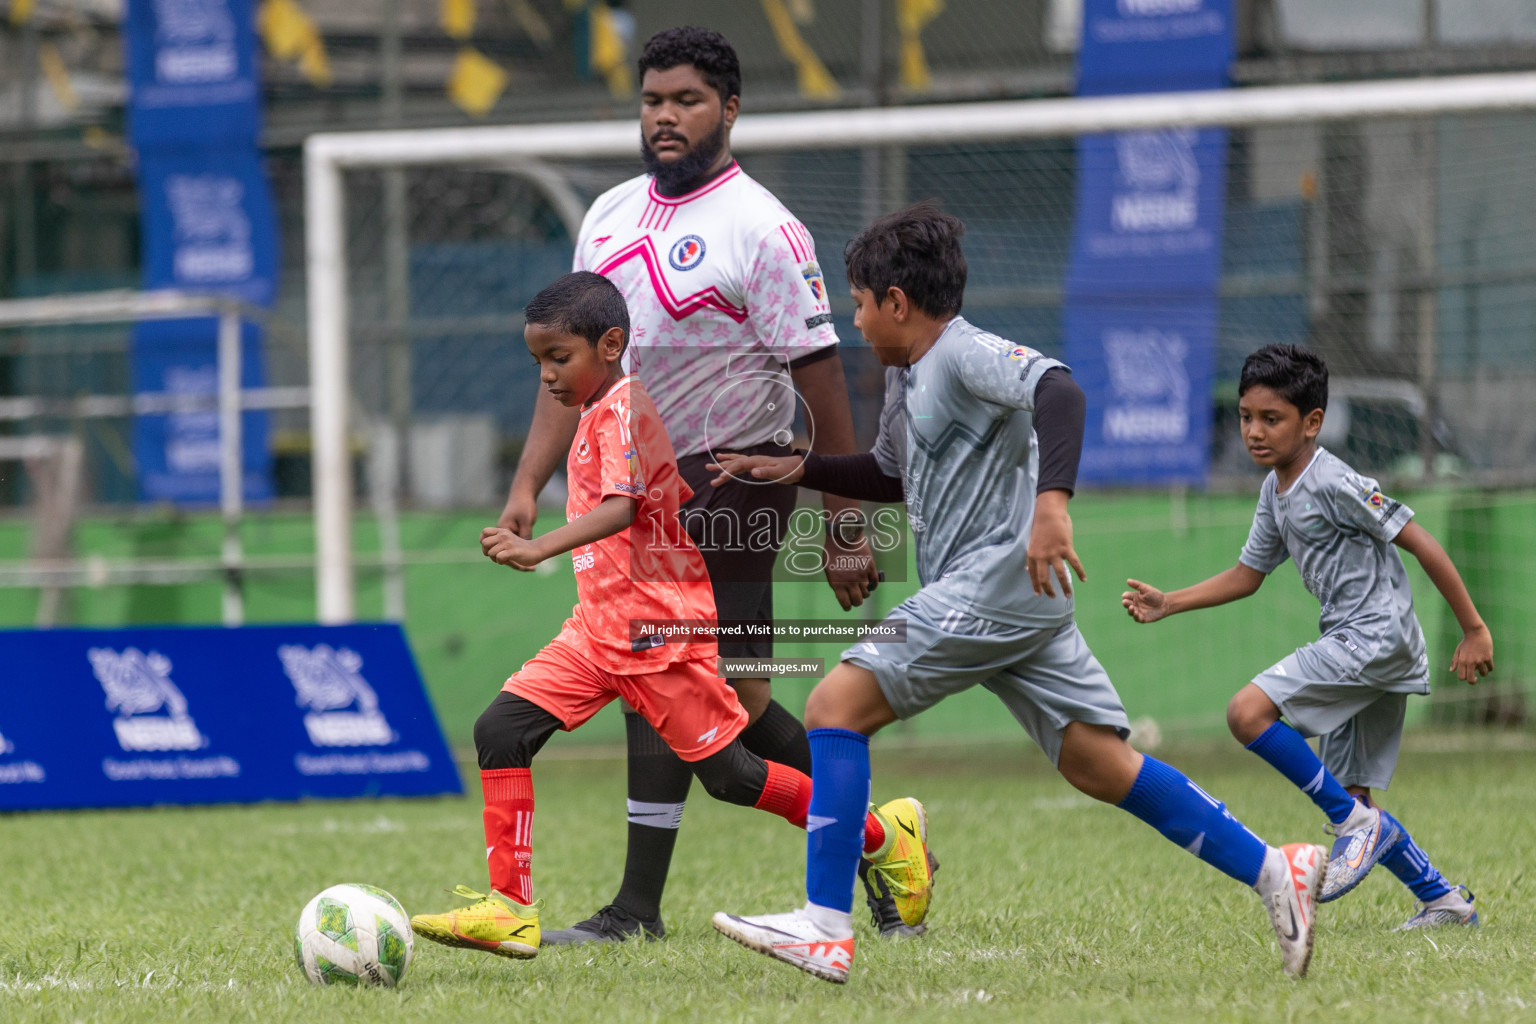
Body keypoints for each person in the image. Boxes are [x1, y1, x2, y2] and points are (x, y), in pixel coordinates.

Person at [706, 203, 1326, 985]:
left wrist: (1051, 504)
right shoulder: (908, 378)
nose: (853, 318)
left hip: (995, 582)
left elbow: (1061, 392)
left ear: (898, 302)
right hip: (1012, 599)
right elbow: (891, 476)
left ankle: (825, 927)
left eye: (859, 302)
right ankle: (1279, 871)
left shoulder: (964, 354)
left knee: (833, 705)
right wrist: (801, 470)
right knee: (1098, 764)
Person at [498, 26, 904, 945]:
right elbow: (572, 367)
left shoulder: (762, 227)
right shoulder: (605, 214)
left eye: (685, 100)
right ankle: (883, 839)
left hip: (733, 481)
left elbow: (821, 377)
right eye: (652, 101)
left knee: (666, 669)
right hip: (638, 497)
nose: (665, 118)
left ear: (729, 108)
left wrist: (847, 524)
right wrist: (527, 481)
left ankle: (637, 911)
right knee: (743, 704)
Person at [409, 272, 931, 960]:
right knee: (500, 730)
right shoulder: (595, 413)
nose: (545, 377)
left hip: (658, 633)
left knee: (733, 778)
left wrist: (537, 545)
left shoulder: (627, 407)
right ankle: (509, 909)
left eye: (557, 359)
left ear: (612, 345)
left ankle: (879, 837)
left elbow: (624, 507)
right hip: (597, 631)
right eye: (537, 362)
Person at [1121, 343, 1492, 930]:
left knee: (1247, 713)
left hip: (1374, 638)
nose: (1254, 432)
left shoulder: (1336, 481)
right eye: (1247, 417)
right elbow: (1248, 576)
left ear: (1312, 422)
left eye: (1272, 419)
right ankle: (1444, 900)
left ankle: (1355, 824)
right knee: (1357, 797)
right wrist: (1171, 603)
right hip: (1368, 644)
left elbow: (1419, 540)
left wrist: (1473, 627)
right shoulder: (1275, 491)